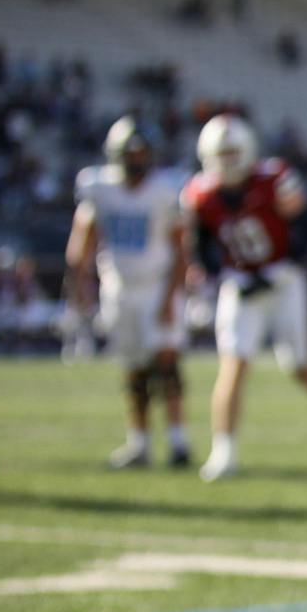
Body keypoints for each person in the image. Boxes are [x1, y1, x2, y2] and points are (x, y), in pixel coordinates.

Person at [182, 114, 307, 482]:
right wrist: (228, 274)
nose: (229, 160)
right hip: (241, 285)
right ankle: (225, 452)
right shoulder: (199, 194)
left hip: (284, 281)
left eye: (234, 151)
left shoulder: (275, 179)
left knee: (299, 367)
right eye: (222, 153)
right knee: (233, 365)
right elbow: (202, 249)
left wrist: (283, 268)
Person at [64, 117, 191, 469]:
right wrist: (80, 283)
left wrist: (170, 297)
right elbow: (82, 242)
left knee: (167, 364)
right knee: (133, 367)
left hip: (156, 285)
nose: (137, 159)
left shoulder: (164, 190)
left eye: (142, 152)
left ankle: (179, 441)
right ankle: (140, 443)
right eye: (131, 152)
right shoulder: (100, 187)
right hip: (118, 287)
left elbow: (181, 249)